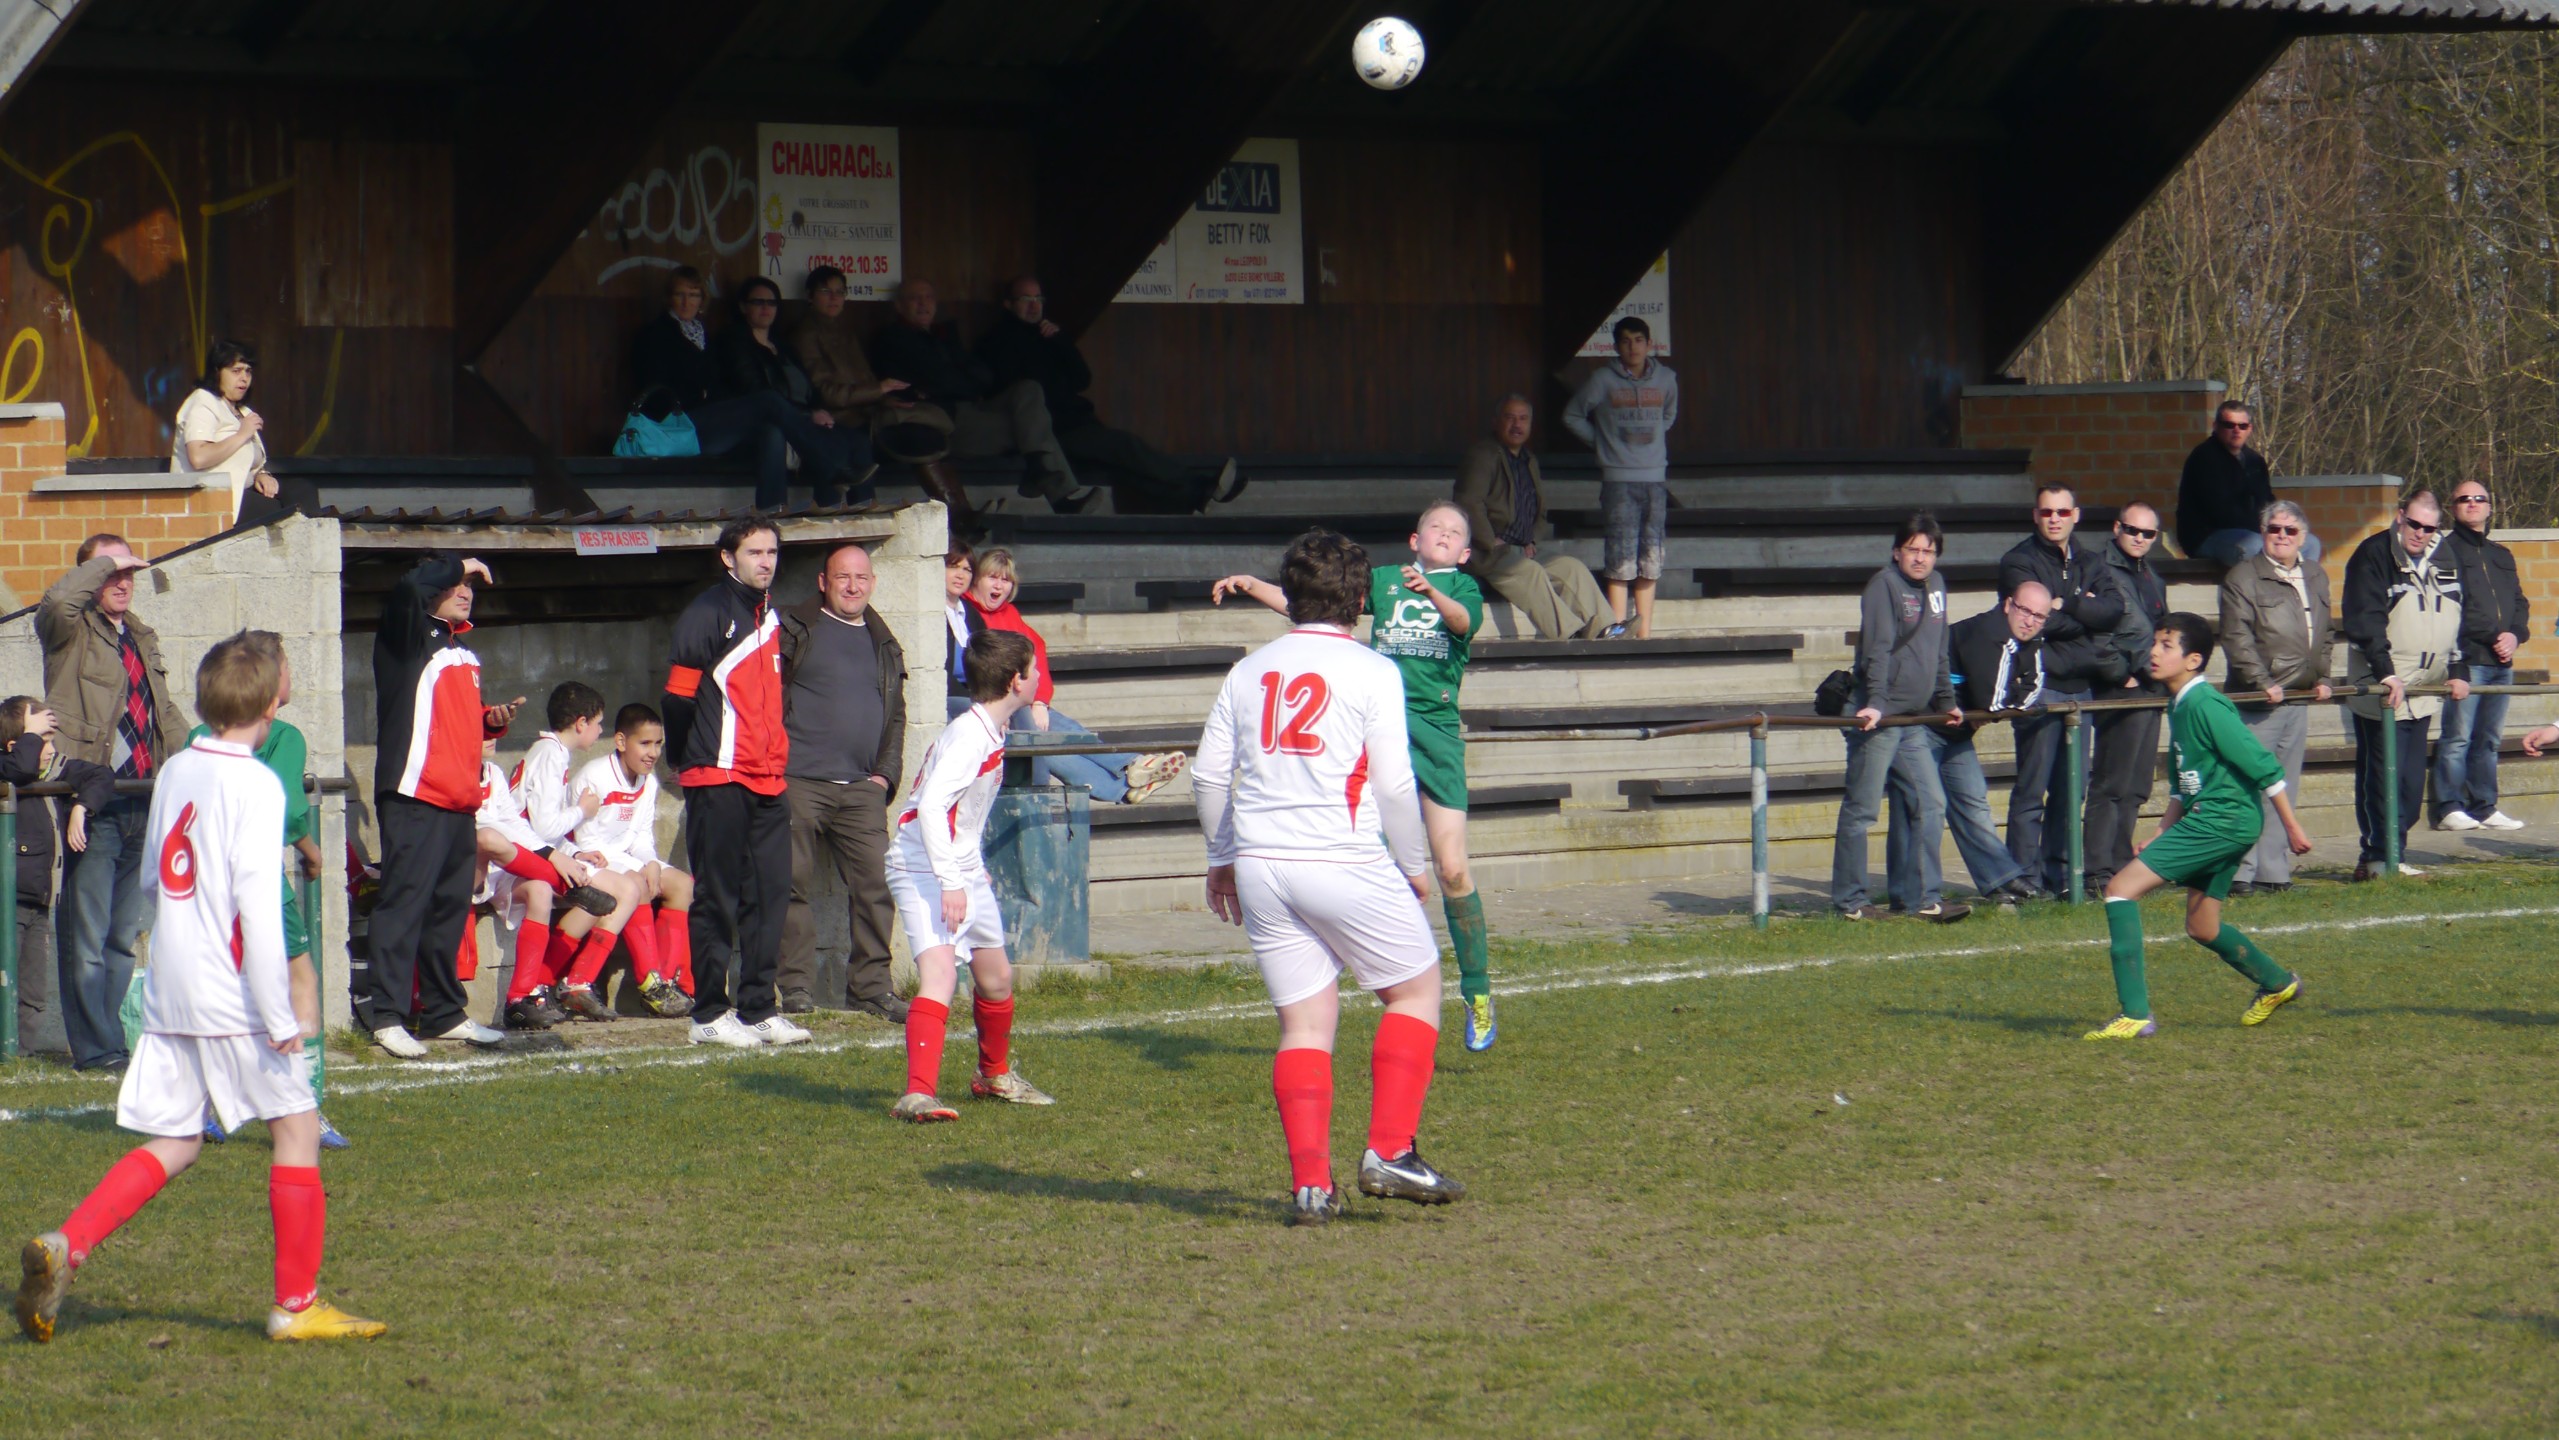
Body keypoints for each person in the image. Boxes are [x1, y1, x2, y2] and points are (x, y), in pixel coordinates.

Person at [15, 633, 386, 1345]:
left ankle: (69, 1243)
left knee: (179, 1138)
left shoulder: (179, 767)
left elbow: (155, 875)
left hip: (174, 983)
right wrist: (279, 1010)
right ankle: (296, 1305)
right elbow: (257, 904)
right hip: (230, 987)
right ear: (272, 702)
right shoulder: (256, 784)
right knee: (297, 1129)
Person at [1195, 529, 1464, 1225]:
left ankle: (1312, 1187)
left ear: (1291, 594)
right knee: (1415, 990)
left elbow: (1207, 774)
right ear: (1360, 599)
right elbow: (1395, 785)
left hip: (1261, 864)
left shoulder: (1249, 670)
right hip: (1340, 856)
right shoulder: (1372, 669)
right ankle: (1389, 1150)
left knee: (1304, 1025)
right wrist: (1412, 865)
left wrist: (1222, 858)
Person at [1213, 502, 1502, 1047]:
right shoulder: (1387, 581)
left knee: (1452, 868)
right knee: (1365, 852)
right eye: (1435, 527)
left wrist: (1432, 592)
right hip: (1376, 725)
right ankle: (1366, 968)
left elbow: (1462, 624)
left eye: (1455, 532)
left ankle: (1479, 992)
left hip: (1435, 733)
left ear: (1465, 553)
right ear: (1415, 539)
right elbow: (1316, 607)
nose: (1444, 534)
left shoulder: (1462, 589)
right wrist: (1253, 585)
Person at [2084, 613, 2313, 1042]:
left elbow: (2262, 765)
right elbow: (2183, 783)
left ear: (2193, 660)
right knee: (2202, 926)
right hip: (2218, 820)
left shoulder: (2206, 704)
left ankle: (2135, 1014)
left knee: (2119, 890)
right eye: (2155, 642)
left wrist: (2292, 827)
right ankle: (2278, 983)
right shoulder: (2180, 703)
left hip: (2221, 821)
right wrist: (2162, 831)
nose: (2153, 652)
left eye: (2166, 645)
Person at [185, 636, 351, 1150]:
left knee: (223, 990)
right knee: (300, 978)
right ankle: (306, 1106)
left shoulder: (197, 737)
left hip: (202, 885)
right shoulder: (284, 736)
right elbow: (287, 810)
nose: (291, 675)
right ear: (269, 680)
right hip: (257, 881)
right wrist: (311, 849)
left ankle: (201, 1107)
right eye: (287, 665)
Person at [885, 629, 1056, 1121]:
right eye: (1034, 670)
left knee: (997, 979)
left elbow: (961, 812)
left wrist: (966, 869)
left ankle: (993, 1076)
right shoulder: (969, 735)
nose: (1039, 678)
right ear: (1016, 681)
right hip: (923, 864)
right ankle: (917, 1095)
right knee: (940, 976)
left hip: (959, 864)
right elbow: (931, 808)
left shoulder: (991, 727)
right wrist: (949, 881)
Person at [40, 534, 191, 1072]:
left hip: (143, 800)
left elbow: (164, 714)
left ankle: (113, 1046)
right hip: (93, 798)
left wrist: (200, 763)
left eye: (129, 570)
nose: (123, 580)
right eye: (111, 570)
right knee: (87, 933)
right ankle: (97, 1048)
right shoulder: (68, 630)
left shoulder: (142, 635)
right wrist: (106, 562)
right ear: (90, 575)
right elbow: (58, 600)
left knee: (122, 937)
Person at [359, 552, 517, 1058]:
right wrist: (459, 561)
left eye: (471, 585)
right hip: (414, 795)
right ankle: (387, 1016)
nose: (466, 590)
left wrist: (489, 722)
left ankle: (444, 1014)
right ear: (434, 587)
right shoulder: (407, 633)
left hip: (459, 799)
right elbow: (408, 586)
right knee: (403, 905)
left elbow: (447, 722)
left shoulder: (463, 651)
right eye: (457, 583)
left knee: (449, 912)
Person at [664, 519, 807, 1049]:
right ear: (728, 557)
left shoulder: (770, 614)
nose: (766, 561)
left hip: (768, 777)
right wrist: (683, 756)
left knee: (770, 896)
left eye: (772, 551)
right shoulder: (707, 612)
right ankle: (708, 1013)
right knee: (718, 897)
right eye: (754, 552)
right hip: (718, 773)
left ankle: (759, 1009)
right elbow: (677, 697)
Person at [975, 274, 1244, 515]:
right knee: (1125, 446)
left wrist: (1061, 343)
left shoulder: (1048, 336)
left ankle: (1193, 496)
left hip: (1077, 424)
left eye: (1038, 299)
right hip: (1053, 434)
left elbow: (1082, 379)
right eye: (1025, 299)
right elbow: (1020, 393)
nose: (1034, 306)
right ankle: (1199, 484)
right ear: (1008, 304)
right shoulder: (997, 342)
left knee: (1121, 466)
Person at [779, 541, 910, 1021]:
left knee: (877, 883)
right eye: (842, 577)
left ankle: (871, 990)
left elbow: (896, 715)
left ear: (872, 583)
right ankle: (796, 988)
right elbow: (765, 697)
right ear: (823, 582)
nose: (852, 587)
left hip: (861, 788)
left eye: (861, 578)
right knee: (789, 883)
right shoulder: (794, 629)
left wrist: (884, 777)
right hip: (798, 781)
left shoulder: (884, 641)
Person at [965, 548, 1186, 804]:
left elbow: (1037, 652)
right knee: (1052, 741)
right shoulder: (968, 613)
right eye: (992, 577)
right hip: (997, 704)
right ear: (977, 579)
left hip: (1020, 700)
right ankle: (1130, 769)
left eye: (1006, 580)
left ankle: (1125, 784)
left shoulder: (1009, 613)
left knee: (1052, 741)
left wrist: (1040, 702)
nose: (999, 585)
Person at [627, 267, 854, 513]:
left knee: (772, 431)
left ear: (702, 300)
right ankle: (828, 465)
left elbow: (718, 387)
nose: (686, 302)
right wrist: (701, 395)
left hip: (710, 423)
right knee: (768, 400)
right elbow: (657, 389)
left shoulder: (702, 335)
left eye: (693, 295)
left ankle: (773, 512)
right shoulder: (655, 334)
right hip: (677, 428)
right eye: (680, 294)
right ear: (669, 297)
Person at [1832, 515, 1964, 922]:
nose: (1920, 558)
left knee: (1932, 802)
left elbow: (1939, 649)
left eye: (1928, 551)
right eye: (1913, 549)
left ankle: (1921, 898)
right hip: (1880, 718)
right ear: (1896, 551)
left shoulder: (1937, 586)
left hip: (1912, 718)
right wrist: (1875, 702)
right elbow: (1878, 649)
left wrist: (1946, 700)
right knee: (1863, 809)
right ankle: (1851, 901)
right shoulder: (1883, 586)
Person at [1998, 484, 2128, 896]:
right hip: (2038, 686)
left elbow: (2114, 611)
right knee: (2032, 789)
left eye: (2062, 511)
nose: (2054, 519)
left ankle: (2061, 880)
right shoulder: (2019, 561)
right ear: (2035, 516)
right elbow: (2035, 622)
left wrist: (2066, 604)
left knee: (2072, 792)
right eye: (2046, 512)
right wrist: (2082, 614)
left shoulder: (2091, 560)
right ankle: (2022, 880)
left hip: (2081, 690)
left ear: (2076, 515)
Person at [868, 278, 1093, 513]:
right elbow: (941, 380)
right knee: (1033, 427)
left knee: (1029, 389)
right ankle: (1058, 495)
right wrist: (960, 380)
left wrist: (956, 381)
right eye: (915, 298)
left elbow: (984, 377)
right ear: (899, 306)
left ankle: (1039, 470)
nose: (923, 304)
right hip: (946, 421)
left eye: (929, 298)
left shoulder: (943, 336)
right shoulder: (893, 338)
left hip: (972, 410)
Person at [1889, 586, 2048, 908]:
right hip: (1916, 723)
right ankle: (1915, 896)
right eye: (2025, 610)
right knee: (1924, 806)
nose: (2030, 621)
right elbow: (1991, 701)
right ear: (2008, 605)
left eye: (2039, 616)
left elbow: (2031, 689)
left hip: (1954, 732)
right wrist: (1992, 707)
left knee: (1974, 801)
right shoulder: (1990, 632)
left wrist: (1995, 706)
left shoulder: (2028, 641)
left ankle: (2000, 879)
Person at [2341, 491, 2468, 881]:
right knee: (2384, 779)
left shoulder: (2444, 556)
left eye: (2429, 528)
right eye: (2414, 524)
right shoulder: (2373, 554)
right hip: (2385, 691)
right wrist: (2385, 672)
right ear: (2400, 517)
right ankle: (2378, 857)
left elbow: (2455, 617)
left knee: (2411, 787)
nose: (2420, 533)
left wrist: (2458, 668)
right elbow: (2365, 620)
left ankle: (2393, 853)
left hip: (2424, 692)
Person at [2218, 500, 2333, 895]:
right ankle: (2239, 872)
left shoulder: (2315, 574)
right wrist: (2260, 681)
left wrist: (2323, 676)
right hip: (2258, 702)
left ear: (2303, 537)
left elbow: (2325, 632)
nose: (2282, 536)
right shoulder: (2243, 576)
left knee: (2284, 787)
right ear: (2263, 533)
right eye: (2274, 529)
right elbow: (2236, 637)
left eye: (2290, 530)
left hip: (2298, 697)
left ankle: (2272, 871)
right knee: (2247, 786)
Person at [565, 705, 698, 1020]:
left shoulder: (648, 782)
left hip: (623, 858)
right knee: (637, 884)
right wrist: (638, 869)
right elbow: (584, 840)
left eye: (658, 744)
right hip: (588, 858)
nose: (653, 753)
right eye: (645, 743)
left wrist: (650, 861)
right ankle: (650, 983)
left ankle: (666, 982)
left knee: (683, 885)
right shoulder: (594, 775)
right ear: (621, 741)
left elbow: (640, 835)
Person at [1452, 394, 1621, 641]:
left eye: (1523, 419)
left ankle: (1607, 630)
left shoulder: (1528, 460)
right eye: (1510, 418)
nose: (1517, 425)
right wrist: (1489, 541)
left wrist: (1532, 539)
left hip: (1522, 548)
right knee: (1529, 572)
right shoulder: (1482, 455)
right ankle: (1570, 636)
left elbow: (1539, 510)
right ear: (1496, 422)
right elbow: (1468, 503)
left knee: (1571, 567)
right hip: (1488, 552)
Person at [1, 697, 114, 1057]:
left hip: (39, 902)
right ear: (15, 745)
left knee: (34, 989)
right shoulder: (8, 768)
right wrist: (30, 737)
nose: (50, 751)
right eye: (41, 741)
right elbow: (19, 769)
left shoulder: (52, 771)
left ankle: (22, 1054)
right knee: (5, 980)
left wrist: (81, 807)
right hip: (9, 902)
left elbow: (101, 775)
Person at [1561, 317, 1678, 639]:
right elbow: (1572, 415)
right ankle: (1617, 634)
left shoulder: (1667, 379)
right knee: (1620, 557)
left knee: (1650, 559)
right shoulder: (1602, 380)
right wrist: (1604, 442)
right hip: (1618, 479)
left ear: (1649, 344)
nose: (1633, 347)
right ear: (1615, 346)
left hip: (1655, 477)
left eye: (1639, 340)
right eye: (1625, 341)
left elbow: (1668, 415)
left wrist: (1651, 440)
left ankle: (1644, 635)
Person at [712, 275, 870, 509]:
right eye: (758, 302)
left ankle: (856, 511)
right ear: (743, 307)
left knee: (858, 441)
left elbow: (809, 388)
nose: (766, 308)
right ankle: (776, 512)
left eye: (772, 303)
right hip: (755, 424)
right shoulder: (734, 343)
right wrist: (806, 415)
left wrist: (818, 410)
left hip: (802, 420)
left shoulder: (783, 346)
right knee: (774, 434)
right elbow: (757, 393)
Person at [2082, 501, 2169, 894]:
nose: (2139, 538)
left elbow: (2159, 628)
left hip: (2151, 686)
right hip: (2122, 690)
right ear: (2117, 527)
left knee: (2136, 785)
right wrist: (2121, 674)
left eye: (2147, 533)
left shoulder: (2151, 574)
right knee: (2111, 783)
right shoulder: (2098, 568)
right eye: (2132, 530)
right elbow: (2094, 631)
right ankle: (2097, 870)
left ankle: (2119, 865)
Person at [2434, 479, 2529, 833]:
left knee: (2489, 739)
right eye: (2464, 499)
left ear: (2490, 507)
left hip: (2502, 662)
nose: (2472, 503)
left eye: (2479, 498)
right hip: (2468, 659)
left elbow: (2519, 602)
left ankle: (2484, 806)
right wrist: (2494, 637)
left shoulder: (2501, 555)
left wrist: (2515, 635)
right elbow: (2454, 606)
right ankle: (2449, 807)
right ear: (2453, 507)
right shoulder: (2444, 551)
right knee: (2458, 737)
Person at [788, 265, 910, 510]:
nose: (834, 298)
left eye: (839, 292)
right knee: (853, 445)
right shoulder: (806, 334)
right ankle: (844, 517)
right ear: (810, 296)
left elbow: (863, 379)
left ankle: (867, 516)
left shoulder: (844, 329)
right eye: (826, 291)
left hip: (861, 416)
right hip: (831, 419)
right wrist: (878, 390)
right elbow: (825, 392)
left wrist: (884, 398)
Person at [173, 339, 317, 527]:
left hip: (242, 489)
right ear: (217, 372)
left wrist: (261, 475)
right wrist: (242, 434)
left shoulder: (242, 411)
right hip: (212, 496)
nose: (244, 378)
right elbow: (199, 457)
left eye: (248, 371)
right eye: (236, 371)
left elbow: (246, 461)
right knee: (277, 511)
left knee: (302, 489)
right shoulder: (203, 401)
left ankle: (313, 536)